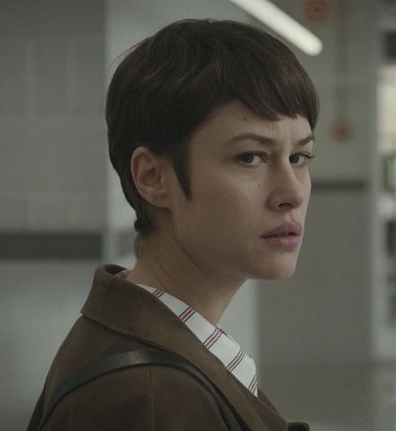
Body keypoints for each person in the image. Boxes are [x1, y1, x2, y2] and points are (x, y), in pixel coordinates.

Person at [34, 18, 319, 430]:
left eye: (298, 158)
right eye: (250, 157)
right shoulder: (150, 394)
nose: (291, 192)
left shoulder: (161, 352)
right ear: (153, 177)